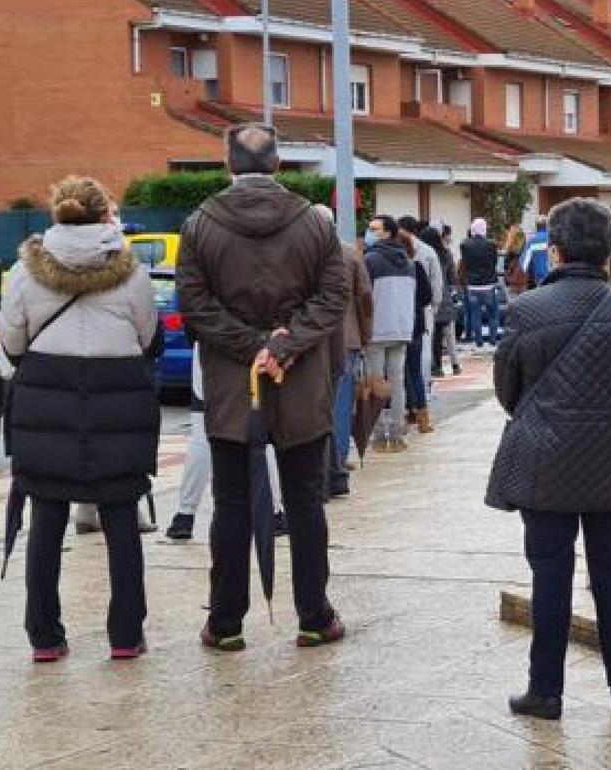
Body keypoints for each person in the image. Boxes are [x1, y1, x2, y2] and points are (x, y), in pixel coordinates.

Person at [486, 198, 611, 721]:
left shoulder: (525, 311)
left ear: (556, 251)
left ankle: (545, 691)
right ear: (610, 255)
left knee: (549, 574)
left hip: (544, 462)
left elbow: (507, 388)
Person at [177, 123, 348, 652]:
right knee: (305, 503)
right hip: (299, 383)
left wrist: (251, 345)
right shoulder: (315, 223)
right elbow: (334, 294)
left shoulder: (199, 225)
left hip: (233, 385)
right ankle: (313, 617)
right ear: (278, 164)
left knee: (230, 505)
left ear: (228, 164)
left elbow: (195, 303)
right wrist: (284, 345)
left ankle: (226, 623)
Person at [2, 176, 159, 662]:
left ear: (57, 214)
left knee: (47, 516)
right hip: (119, 401)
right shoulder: (133, 273)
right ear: (105, 215)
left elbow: (12, 346)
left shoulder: (25, 273)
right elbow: (147, 337)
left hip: (46, 401)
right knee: (120, 517)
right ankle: (126, 635)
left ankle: (45, 636)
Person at [164, 344, 285, 540]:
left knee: (202, 435)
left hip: (210, 347)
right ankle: (274, 512)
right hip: (255, 347)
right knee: (261, 437)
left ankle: (185, 515)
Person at [313, 204, 373, 491]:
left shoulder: (303, 255)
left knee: (314, 404)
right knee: (340, 405)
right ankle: (336, 468)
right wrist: (365, 337)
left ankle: (319, 467)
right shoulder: (350, 254)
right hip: (346, 339)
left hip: (310, 341)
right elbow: (365, 300)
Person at [363, 214, 417, 453]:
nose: (370, 233)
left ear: (387, 233)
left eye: (374, 229)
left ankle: (377, 436)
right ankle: (396, 435)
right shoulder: (408, 261)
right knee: (396, 383)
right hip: (402, 328)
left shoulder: (370, 259)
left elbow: (363, 297)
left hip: (377, 329)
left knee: (375, 382)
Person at [399, 216, 439, 433]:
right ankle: (423, 418)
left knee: (398, 372)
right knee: (414, 371)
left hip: (396, 326)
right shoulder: (416, 267)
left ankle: (403, 416)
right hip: (415, 323)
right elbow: (426, 297)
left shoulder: (390, 267)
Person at [460, 217, 500, 351]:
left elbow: (465, 263)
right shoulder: (492, 244)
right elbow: (494, 262)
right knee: (493, 314)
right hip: (489, 284)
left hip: (472, 285)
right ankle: (493, 341)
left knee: (475, 314)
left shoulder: (465, 244)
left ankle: (478, 342)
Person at [425, 225, 460, 378]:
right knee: (450, 335)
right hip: (445, 298)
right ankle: (455, 364)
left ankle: (436, 366)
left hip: (430, 298)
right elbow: (453, 278)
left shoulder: (424, 254)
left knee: (434, 336)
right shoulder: (447, 254)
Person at [520, 217, 551, 289]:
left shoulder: (532, 242)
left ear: (536, 227)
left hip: (540, 280)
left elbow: (524, 265)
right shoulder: (554, 239)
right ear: (547, 226)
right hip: (555, 279)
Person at [502, 224, 527, 294]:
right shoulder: (524, 248)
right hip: (522, 280)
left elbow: (505, 266)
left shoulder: (509, 250)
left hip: (511, 281)